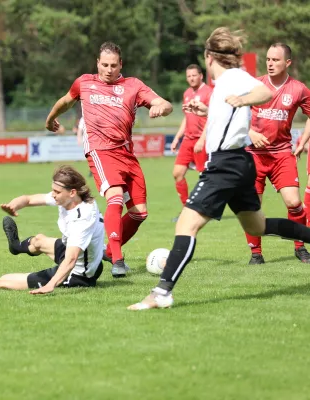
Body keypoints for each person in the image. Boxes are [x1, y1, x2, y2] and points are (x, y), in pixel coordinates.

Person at [128, 27, 310, 311]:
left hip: (225, 165)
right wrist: (207, 112)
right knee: (257, 226)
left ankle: (162, 292)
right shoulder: (223, 84)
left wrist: (244, 99)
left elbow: (262, 91)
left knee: (186, 225)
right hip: (240, 162)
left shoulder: (235, 77)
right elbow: (228, 115)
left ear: (209, 57)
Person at [45, 41, 173, 278]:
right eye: (104, 64)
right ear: (97, 63)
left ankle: (107, 251)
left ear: (120, 64)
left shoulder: (133, 86)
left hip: (126, 154)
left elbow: (165, 104)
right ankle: (117, 260)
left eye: (113, 65)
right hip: (100, 150)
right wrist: (51, 117)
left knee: (139, 212)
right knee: (114, 197)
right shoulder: (84, 82)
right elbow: (66, 101)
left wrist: (160, 109)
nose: (108, 69)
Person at [243, 43, 310, 264]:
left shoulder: (298, 89)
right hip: (254, 155)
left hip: (282, 154)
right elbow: (234, 113)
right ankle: (256, 254)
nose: (270, 64)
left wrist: (303, 141)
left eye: (276, 60)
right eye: (268, 59)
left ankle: (300, 247)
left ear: (288, 62)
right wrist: (251, 132)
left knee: (293, 202)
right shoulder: (255, 86)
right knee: (253, 208)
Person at [0, 165, 105, 294]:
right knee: (39, 240)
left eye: (57, 192)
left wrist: (50, 285)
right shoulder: (71, 199)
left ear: (72, 192)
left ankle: (51, 278)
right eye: (53, 190)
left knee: (3, 281)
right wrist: (13, 205)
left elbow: (71, 259)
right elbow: (29, 199)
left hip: (79, 274)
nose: (53, 195)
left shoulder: (81, 219)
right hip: (86, 258)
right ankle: (16, 246)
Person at [171, 65, 213, 209]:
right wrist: (177, 137)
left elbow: (212, 118)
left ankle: (207, 208)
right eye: (189, 76)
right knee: (177, 173)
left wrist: (202, 139)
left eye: (194, 75)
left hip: (203, 140)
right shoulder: (187, 93)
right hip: (188, 140)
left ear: (201, 75)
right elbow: (187, 117)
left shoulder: (209, 92)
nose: (191, 78)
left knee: (204, 177)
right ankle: (187, 208)